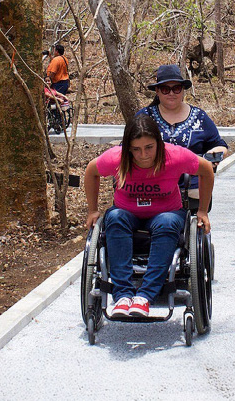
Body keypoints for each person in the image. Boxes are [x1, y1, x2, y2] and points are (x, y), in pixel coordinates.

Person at [84, 114, 215, 318]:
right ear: (128, 147)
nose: (143, 155)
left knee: (166, 221)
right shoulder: (117, 158)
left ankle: (145, 296)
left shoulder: (175, 156)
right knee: (115, 217)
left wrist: (203, 211)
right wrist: (93, 210)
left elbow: (206, 170)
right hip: (127, 213)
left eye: (149, 147)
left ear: (158, 143)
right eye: (136, 149)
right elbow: (91, 171)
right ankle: (123, 296)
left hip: (166, 212)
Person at [136, 64, 228, 199]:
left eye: (176, 89)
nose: (172, 93)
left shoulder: (199, 117)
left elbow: (220, 145)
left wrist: (214, 155)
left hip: (191, 185)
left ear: (183, 90)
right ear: (157, 91)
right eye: (165, 89)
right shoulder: (144, 117)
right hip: (152, 185)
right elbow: (126, 148)